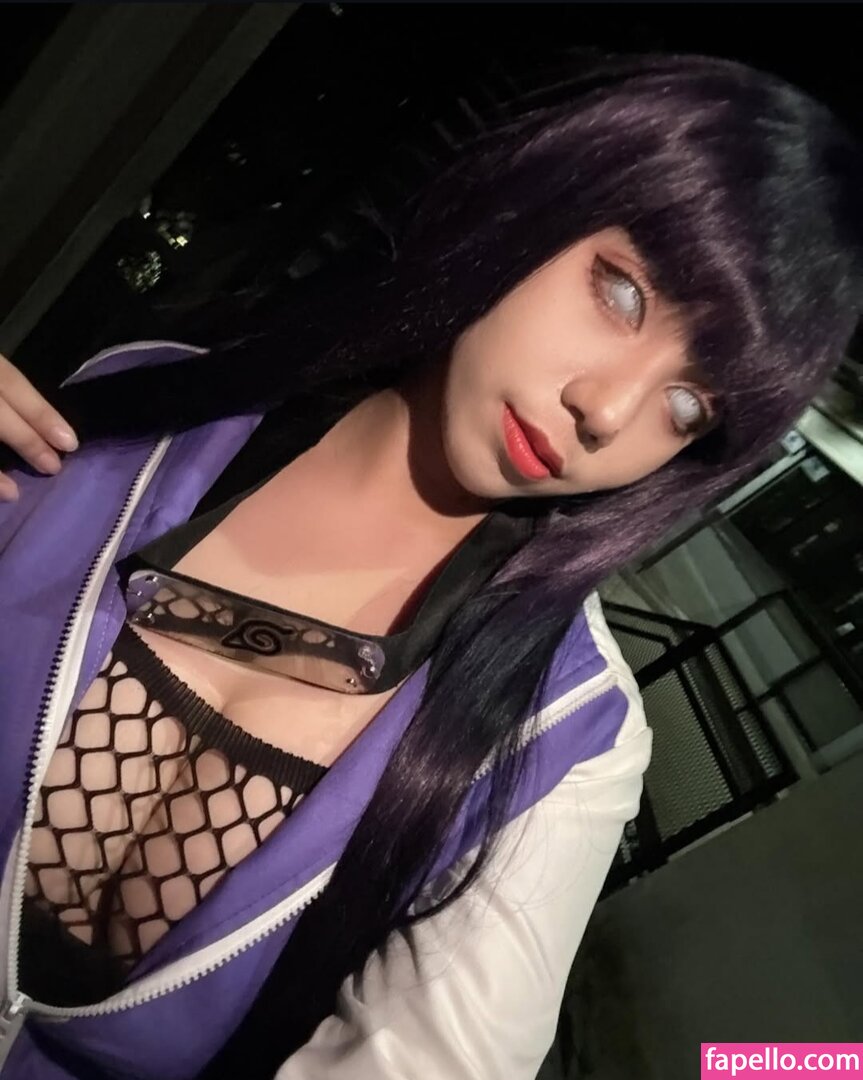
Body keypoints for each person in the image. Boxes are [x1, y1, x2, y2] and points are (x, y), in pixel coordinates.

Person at [0, 51, 861, 1080]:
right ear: (539, 207)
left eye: (687, 407)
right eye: (622, 293)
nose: (606, 410)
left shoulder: (564, 736)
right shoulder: (135, 414)